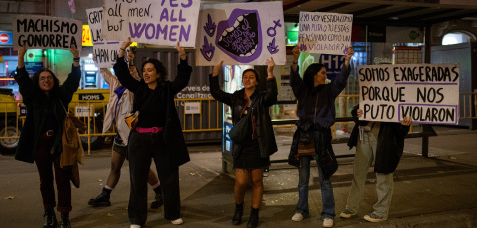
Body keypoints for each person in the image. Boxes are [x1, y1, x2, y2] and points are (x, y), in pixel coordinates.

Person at [114, 38, 192, 228]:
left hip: (163, 139)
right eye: (144, 70)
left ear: (158, 74)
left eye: (150, 70)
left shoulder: (166, 89)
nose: (145, 73)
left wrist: (182, 56)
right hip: (139, 139)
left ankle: (173, 213)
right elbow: (122, 74)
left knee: (170, 178)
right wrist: (122, 50)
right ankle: (136, 219)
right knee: (137, 180)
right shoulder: (139, 87)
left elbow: (182, 79)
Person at [87, 47, 163, 209]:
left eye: (130, 56)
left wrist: (131, 65)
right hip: (119, 133)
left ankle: (159, 191)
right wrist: (98, 60)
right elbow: (104, 71)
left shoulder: (137, 81)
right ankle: (105, 195)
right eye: (125, 56)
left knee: (141, 167)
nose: (127, 58)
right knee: (115, 165)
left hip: (133, 132)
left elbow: (132, 75)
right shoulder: (115, 82)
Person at [14, 43, 81, 228]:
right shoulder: (31, 96)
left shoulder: (62, 95)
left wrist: (75, 58)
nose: (46, 80)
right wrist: (21, 56)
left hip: (60, 145)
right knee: (45, 181)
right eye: (42, 78)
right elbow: (22, 80)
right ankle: (49, 213)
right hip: (40, 146)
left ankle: (65, 216)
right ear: (38, 80)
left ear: (54, 80)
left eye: (49, 77)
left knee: (62, 180)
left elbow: (73, 80)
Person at [288, 45, 354, 228]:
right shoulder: (303, 89)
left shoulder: (329, 90)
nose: (326, 76)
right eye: (323, 73)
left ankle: (328, 213)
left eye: (325, 73)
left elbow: (341, 80)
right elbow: (294, 80)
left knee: (325, 178)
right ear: (314, 74)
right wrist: (295, 59)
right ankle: (301, 209)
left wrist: (347, 60)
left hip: (322, 137)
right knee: (303, 178)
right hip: (304, 136)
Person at [209, 58, 278, 228]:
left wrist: (270, 72)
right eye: (245, 77)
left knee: (257, 181)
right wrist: (215, 73)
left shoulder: (262, 98)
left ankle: (254, 213)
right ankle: (238, 209)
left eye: (251, 77)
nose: (248, 79)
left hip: (258, 145)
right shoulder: (236, 97)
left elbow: (272, 95)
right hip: (241, 145)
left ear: (257, 81)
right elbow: (216, 92)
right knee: (240, 182)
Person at [340, 106, 412, 222]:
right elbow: (358, 108)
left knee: (384, 174)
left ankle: (381, 212)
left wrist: (404, 125)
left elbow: (400, 126)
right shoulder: (372, 91)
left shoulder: (396, 94)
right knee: (358, 173)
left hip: (384, 135)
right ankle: (351, 207)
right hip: (363, 134)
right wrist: (357, 112)